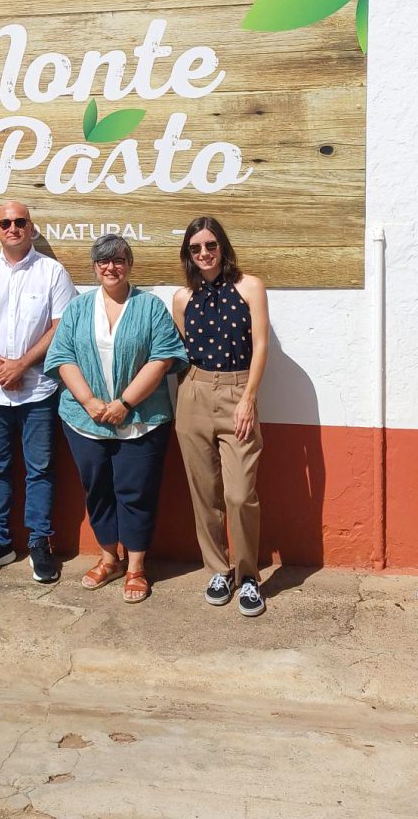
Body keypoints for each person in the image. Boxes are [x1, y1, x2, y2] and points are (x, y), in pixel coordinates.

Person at [45, 234, 187, 603]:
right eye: (104, 261)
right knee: (99, 490)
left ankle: (137, 565)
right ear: (94, 267)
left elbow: (163, 357)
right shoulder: (78, 308)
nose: (111, 267)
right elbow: (62, 357)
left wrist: (124, 402)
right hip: (84, 419)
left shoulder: (150, 307)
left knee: (136, 492)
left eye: (119, 260)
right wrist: (91, 402)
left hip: (142, 419)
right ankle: (109, 558)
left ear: (130, 264)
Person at [0, 201, 74, 583]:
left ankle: (40, 542)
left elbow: (61, 327)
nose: (13, 227)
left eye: (20, 221)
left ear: (31, 227)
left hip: (38, 390)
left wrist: (21, 364)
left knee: (40, 470)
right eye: (5, 222)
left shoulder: (52, 272)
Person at [172, 216, 269, 617]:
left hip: (237, 390)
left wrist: (248, 397)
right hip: (193, 391)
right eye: (196, 248)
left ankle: (248, 577)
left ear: (222, 246)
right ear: (188, 255)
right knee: (204, 494)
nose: (204, 254)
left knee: (238, 494)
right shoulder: (182, 297)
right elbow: (181, 349)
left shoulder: (250, 287)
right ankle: (217, 569)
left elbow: (261, 345)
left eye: (210, 245)